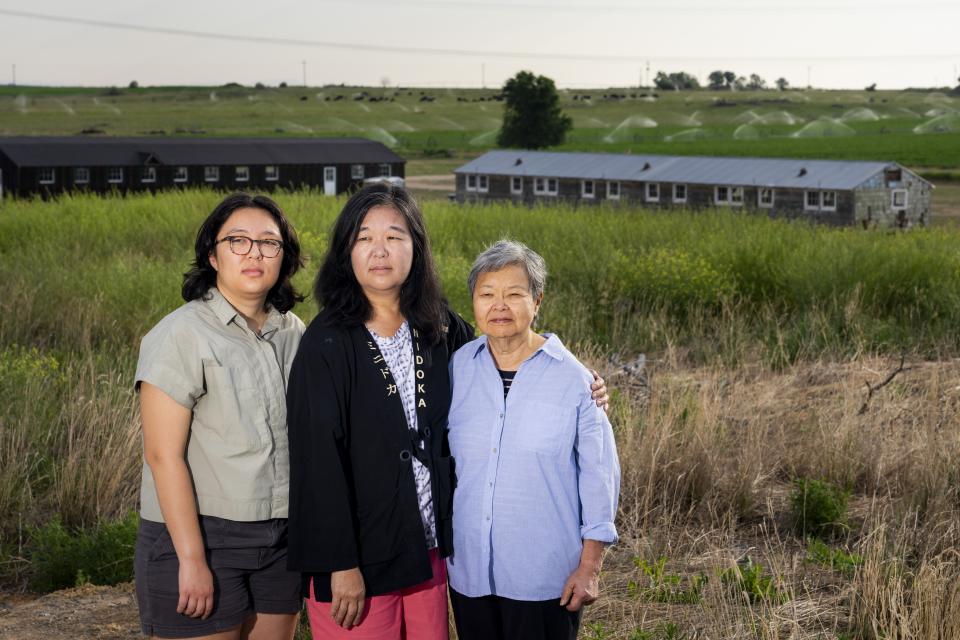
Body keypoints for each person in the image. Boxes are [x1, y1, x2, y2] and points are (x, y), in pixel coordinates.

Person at [286, 185, 609, 639]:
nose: (381, 250)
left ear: (416, 247)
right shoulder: (325, 343)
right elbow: (315, 461)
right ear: (346, 251)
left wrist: (581, 380)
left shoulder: (437, 325)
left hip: (431, 553)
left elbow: (504, 347)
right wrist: (341, 565)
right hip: (359, 557)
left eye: (395, 236)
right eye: (364, 238)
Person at [134, 193, 305, 640]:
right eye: (238, 241)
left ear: (283, 257)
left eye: (270, 242)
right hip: (201, 537)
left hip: (282, 537)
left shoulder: (294, 332)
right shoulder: (181, 334)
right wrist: (191, 560)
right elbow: (162, 456)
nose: (254, 253)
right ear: (212, 254)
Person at [446, 239, 621, 640]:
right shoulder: (458, 368)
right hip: (470, 572)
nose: (499, 306)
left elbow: (600, 477)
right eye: (487, 294)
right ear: (473, 301)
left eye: (514, 294)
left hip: (544, 578)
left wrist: (590, 567)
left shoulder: (575, 379)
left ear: (537, 301)